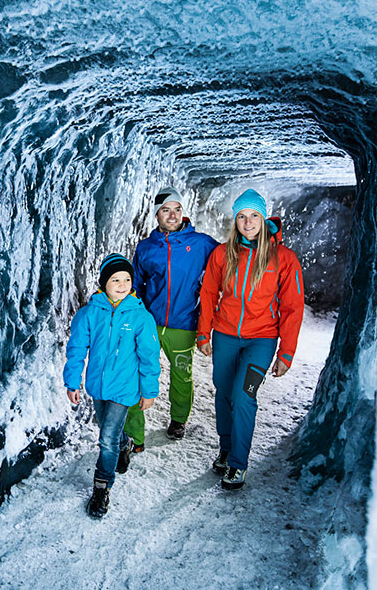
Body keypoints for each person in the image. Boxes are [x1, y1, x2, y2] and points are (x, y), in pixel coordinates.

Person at [196, 189, 304, 491]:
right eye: (241, 216)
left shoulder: (283, 258)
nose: (248, 222)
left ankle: (238, 464)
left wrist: (287, 352)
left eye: (253, 215)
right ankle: (226, 449)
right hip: (226, 336)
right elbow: (208, 293)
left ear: (263, 217)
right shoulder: (222, 253)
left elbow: (293, 306)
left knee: (245, 395)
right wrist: (204, 332)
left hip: (262, 340)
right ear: (235, 220)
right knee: (224, 392)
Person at [64, 253, 161, 517]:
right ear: (103, 283)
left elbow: (149, 355)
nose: (121, 284)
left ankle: (101, 488)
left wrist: (149, 390)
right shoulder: (89, 314)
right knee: (110, 431)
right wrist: (73, 382)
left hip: (124, 388)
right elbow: (76, 350)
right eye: (115, 279)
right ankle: (124, 444)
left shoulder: (141, 317)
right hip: (97, 386)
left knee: (105, 439)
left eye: (127, 279)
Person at [127, 187, 219, 448]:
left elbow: (227, 260)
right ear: (157, 214)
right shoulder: (146, 248)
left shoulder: (201, 244)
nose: (173, 215)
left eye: (177, 209)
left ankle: (179, 420)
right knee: (138, 373)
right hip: (150, 324)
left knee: (182, 375)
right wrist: (137, 317)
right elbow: (137, 285)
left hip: (184, 324)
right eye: (166, 210)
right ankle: (135, 435)